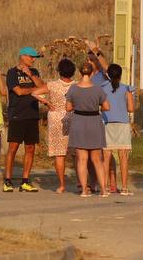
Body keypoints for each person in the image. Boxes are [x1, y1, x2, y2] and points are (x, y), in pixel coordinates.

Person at [85, 41, 134, 194]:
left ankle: (104, 187)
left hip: (106, 123)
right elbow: (131, 108)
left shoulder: (102, 88)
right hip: (123, 124)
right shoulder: (127, 88)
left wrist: (95, 49)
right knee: (123, 156)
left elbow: (99, 105)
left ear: (107, 75)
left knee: (105, 156)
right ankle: (124, 187)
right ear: (120, 75)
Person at [3, 47, 48, 193]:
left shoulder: (34, 72)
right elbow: (18, 91)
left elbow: (43, 87)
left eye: (35, 57)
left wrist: (31, 76)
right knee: (13, 148)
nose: (33, 59)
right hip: (17, 114)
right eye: (31, 57)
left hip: (32, 114)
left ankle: (25, 181)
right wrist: (35, 91)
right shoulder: (12, 73)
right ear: (23, 56)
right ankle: (8, 180)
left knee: (30, 148)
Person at [66, 59, 111, 197]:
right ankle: (103, 189)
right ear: (91, 73)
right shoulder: (97, 89)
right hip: (94, 122)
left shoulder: (73, 88)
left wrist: (78, 106)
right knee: (97, 159)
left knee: (81, 159)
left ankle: (84, 190)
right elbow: (107, 107)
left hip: (79, 121)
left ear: (80, 72)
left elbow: (68, 108)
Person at [42, 58, 77, 193]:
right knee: (76, 154)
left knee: (59, 154)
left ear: (59, 71)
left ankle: (62, 185)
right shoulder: (77, 85)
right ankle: (81, 183)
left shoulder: (52, 85)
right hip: (73, 117)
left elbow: (34, 93)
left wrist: (47, 103)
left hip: (56, 119)